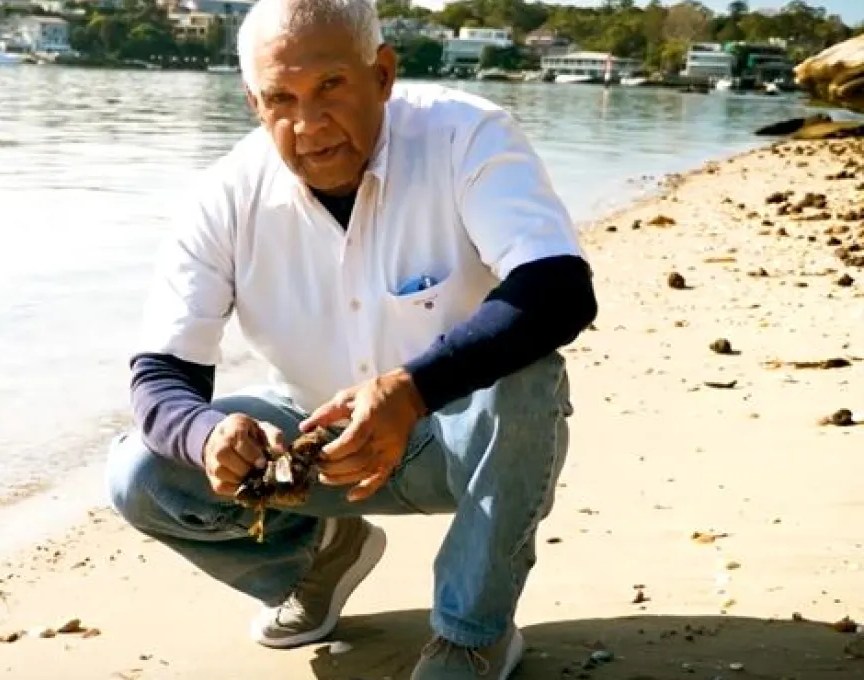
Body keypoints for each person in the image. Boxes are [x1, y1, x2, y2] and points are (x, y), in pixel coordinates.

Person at [105, 0, 598, 676]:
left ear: (383, 74)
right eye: (281, 98)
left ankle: (473, 632)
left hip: (456, 441)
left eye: (331, 86)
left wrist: (410, 391)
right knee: (141, 472)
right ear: (253, 101)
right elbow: (160, 377)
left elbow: (559, 290)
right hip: (312, 452)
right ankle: (320, 554)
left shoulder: (468, 136)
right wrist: (208, 439)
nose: (308, 125)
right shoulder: (222, 197)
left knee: (525, 372)